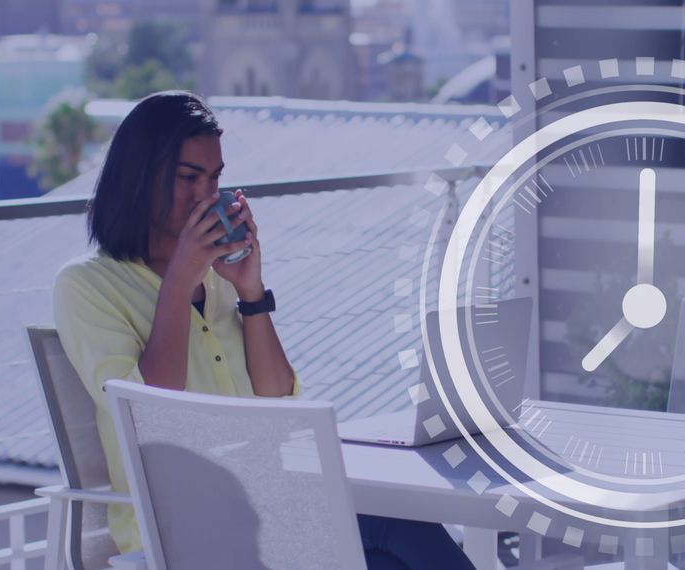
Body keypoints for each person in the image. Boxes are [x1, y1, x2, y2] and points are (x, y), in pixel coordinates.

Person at [53, 91, 475, 570]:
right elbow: (150, 415)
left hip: (267, 503)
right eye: (188, 177)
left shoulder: (217, 278)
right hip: (176, 531)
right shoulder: (86, 286)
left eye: (214, 179)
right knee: (399, 524)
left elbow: (278, 402)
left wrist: (252, 293)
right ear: (140, 176)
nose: (205, 196)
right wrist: (178, 284)